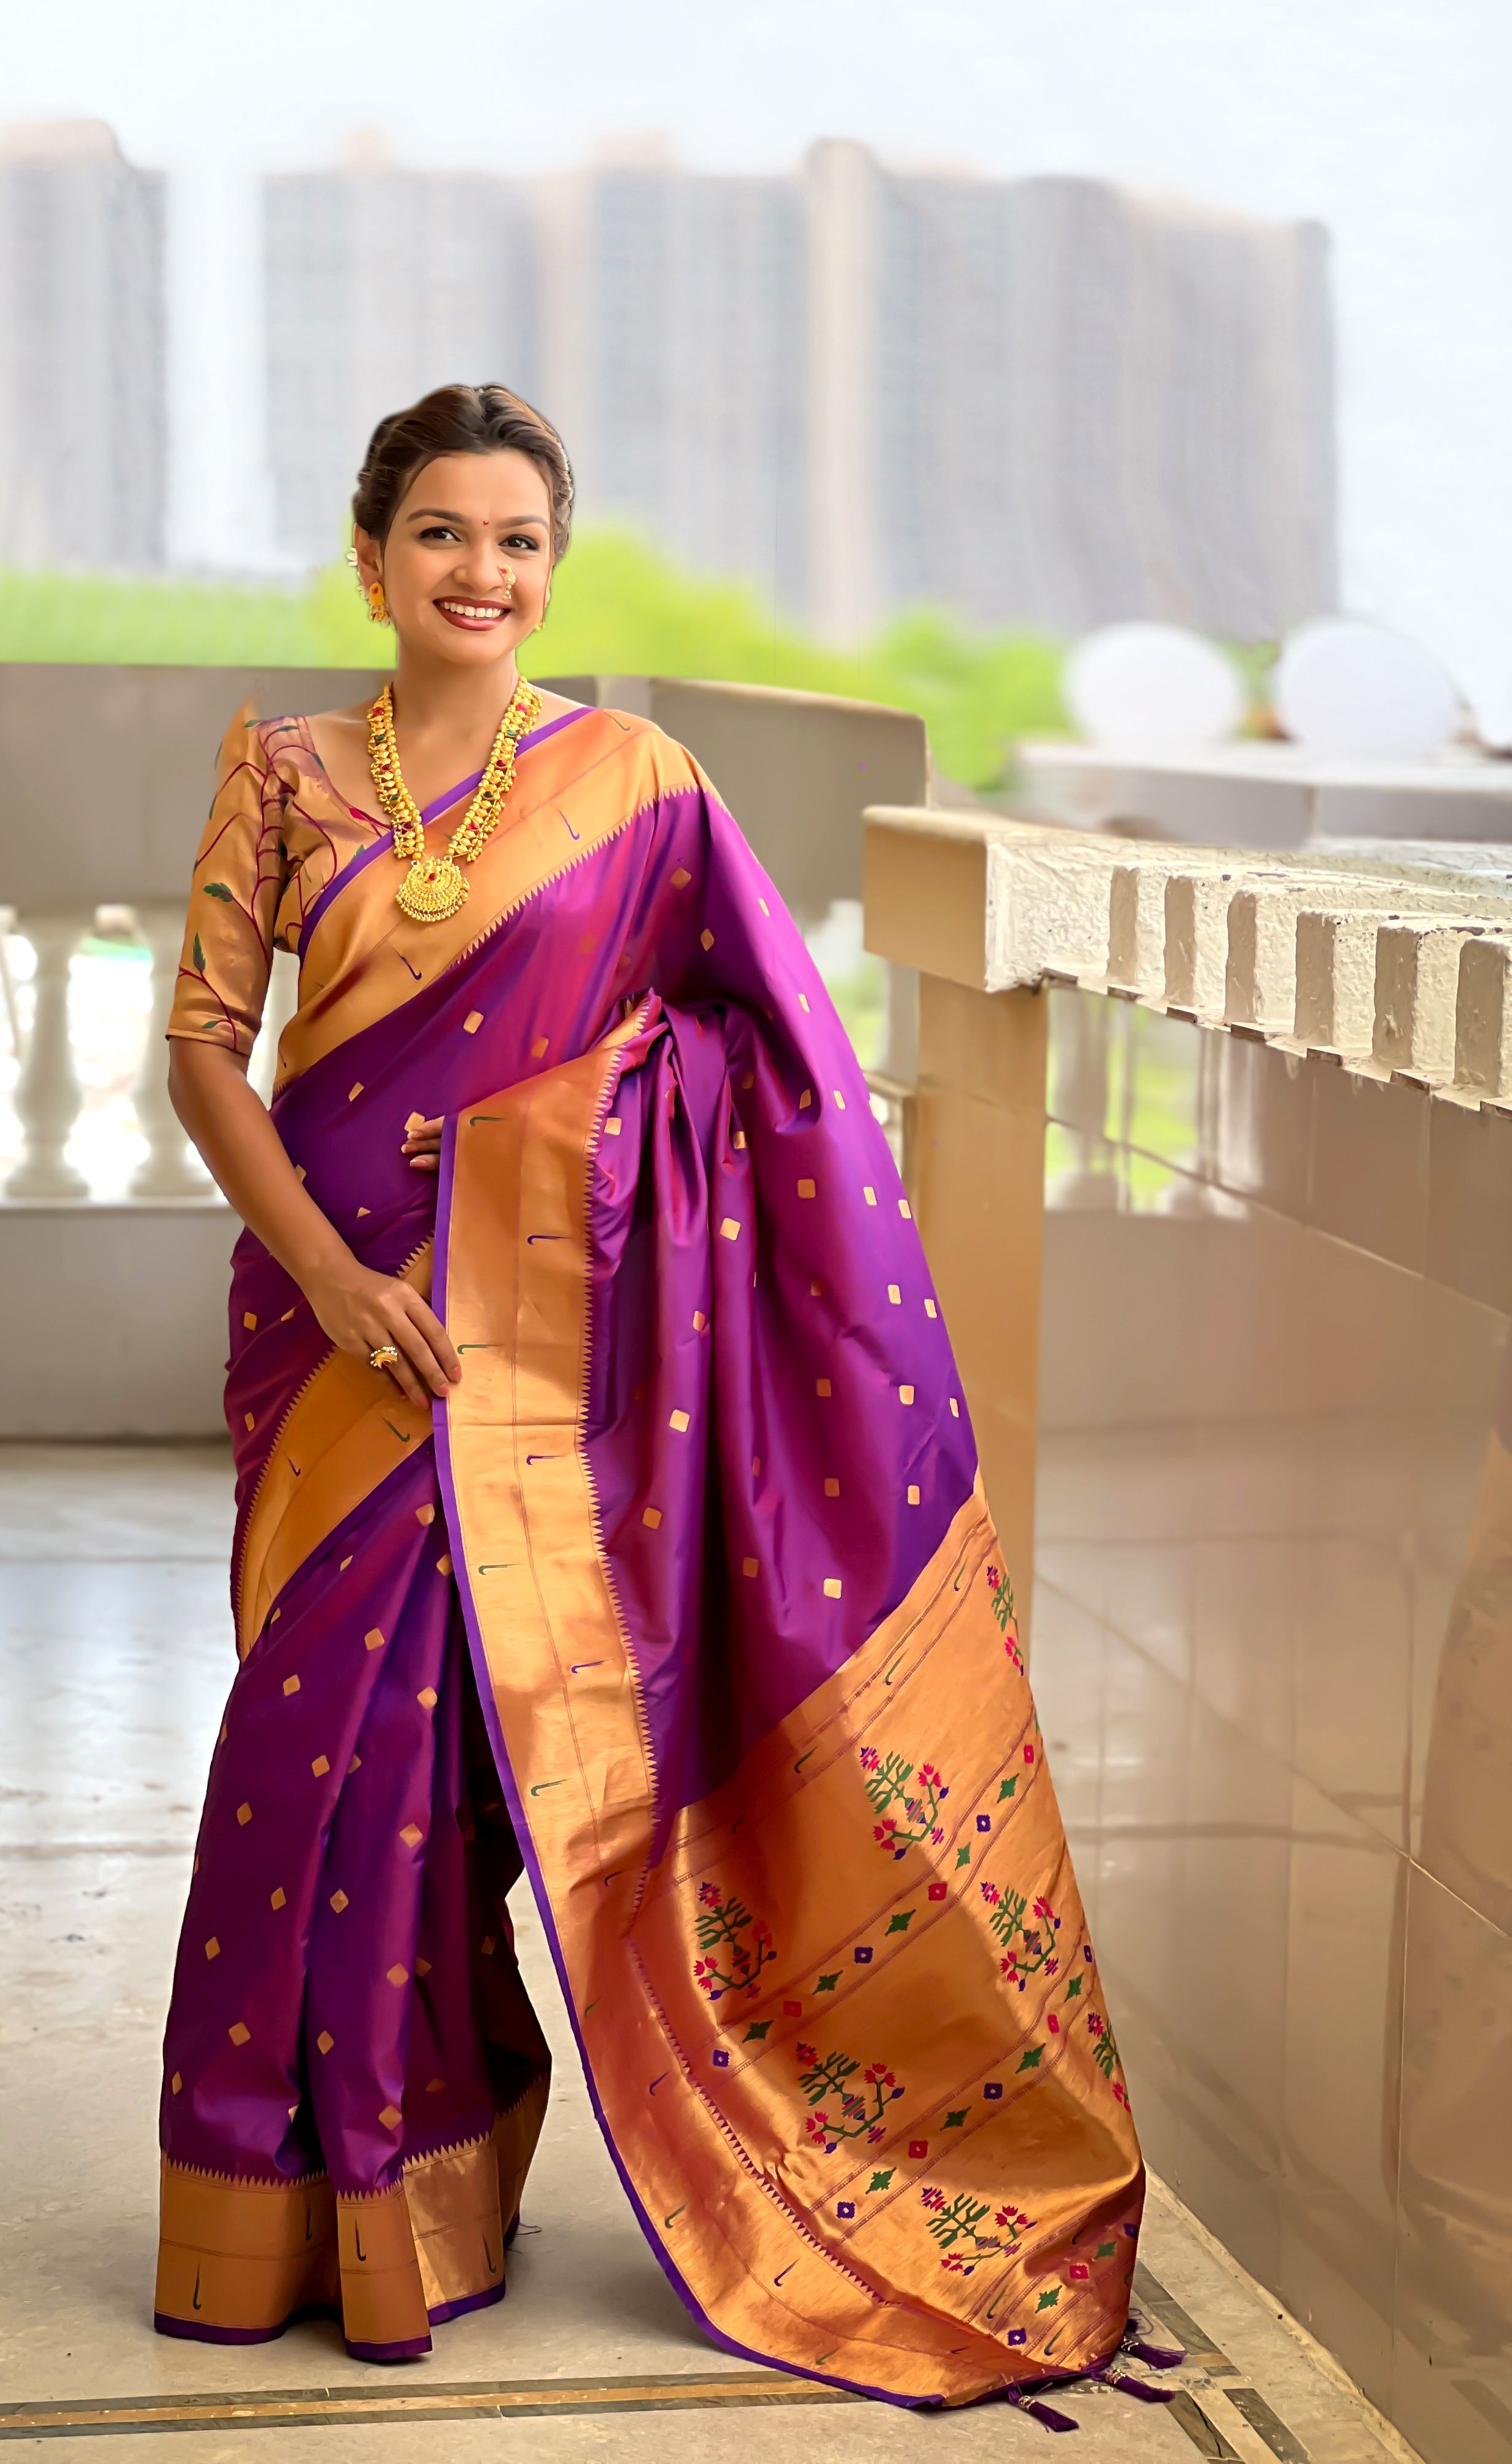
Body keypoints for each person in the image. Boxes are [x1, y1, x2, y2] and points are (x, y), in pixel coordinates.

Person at [155, 382, 1146, 2411]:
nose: (482, 572)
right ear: (371, 559)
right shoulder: (279, 774)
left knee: (443, 1766)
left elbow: (762, 1061)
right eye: (442, 534)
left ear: (554, 566)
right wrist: (335, 1275)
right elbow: (200, 1052)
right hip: (334, 1335)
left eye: (518, 540)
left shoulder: (638, 784)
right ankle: (288, 2200)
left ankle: (419, 2186)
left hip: (519, 1349)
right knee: (306, 1750)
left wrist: (539, 1157)